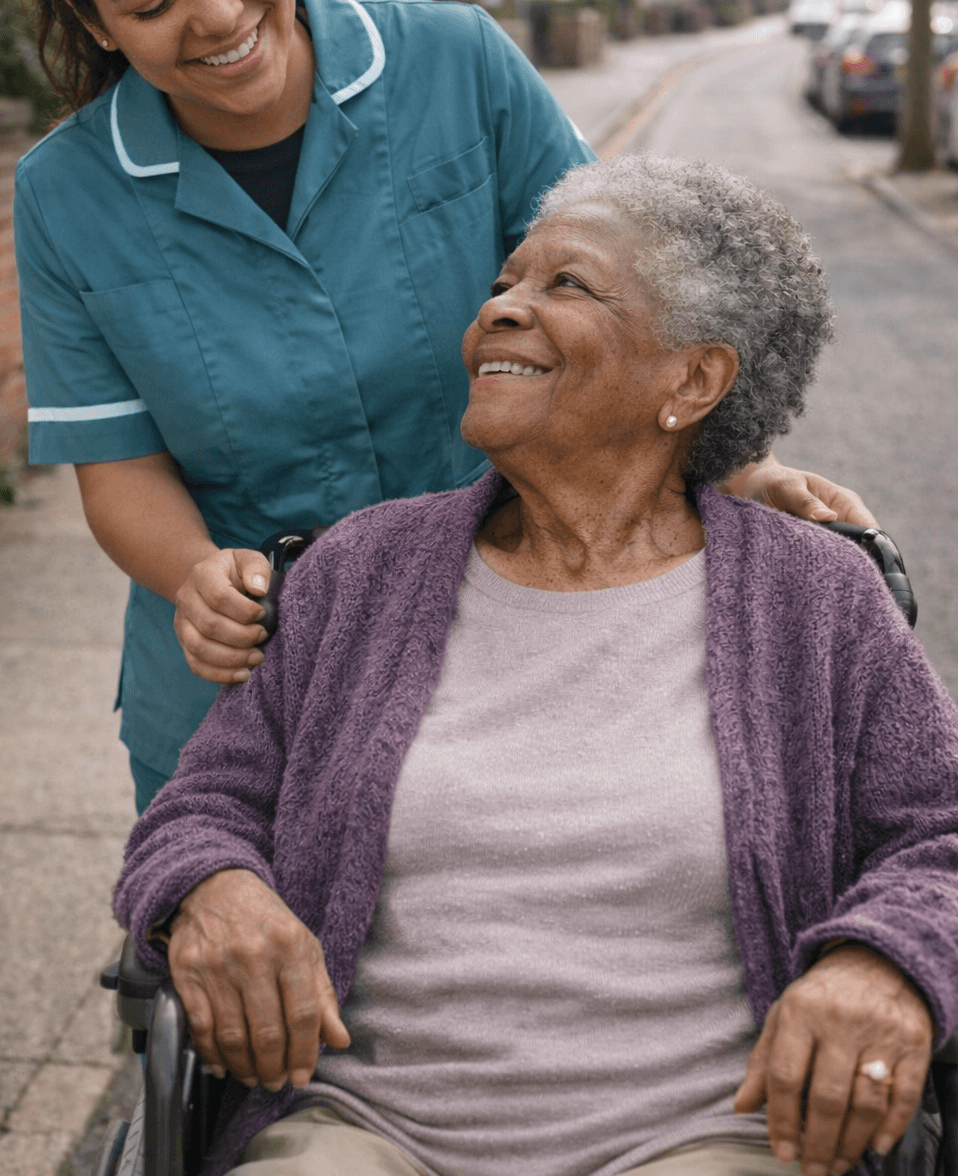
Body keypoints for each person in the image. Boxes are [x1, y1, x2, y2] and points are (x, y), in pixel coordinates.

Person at [0, 0, 876, 817]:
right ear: (93, 21)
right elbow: (115, 464)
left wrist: (741, 467)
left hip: (515, 640)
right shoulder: (64, 195)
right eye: (150, 2)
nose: (219, 12)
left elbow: (624, 300)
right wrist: (194, 574)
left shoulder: (461, 65)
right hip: (244, 703)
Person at [114, 157, 958, 1176]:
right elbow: (203, 804)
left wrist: (885, 961)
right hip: (362, 1129)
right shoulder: (360, 569)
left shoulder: (814, 598)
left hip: (709, 1134)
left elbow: (937, 837)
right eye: (505, 283)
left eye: (566, 286)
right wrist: (210, 890)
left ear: (689, 380)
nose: (504, 309)